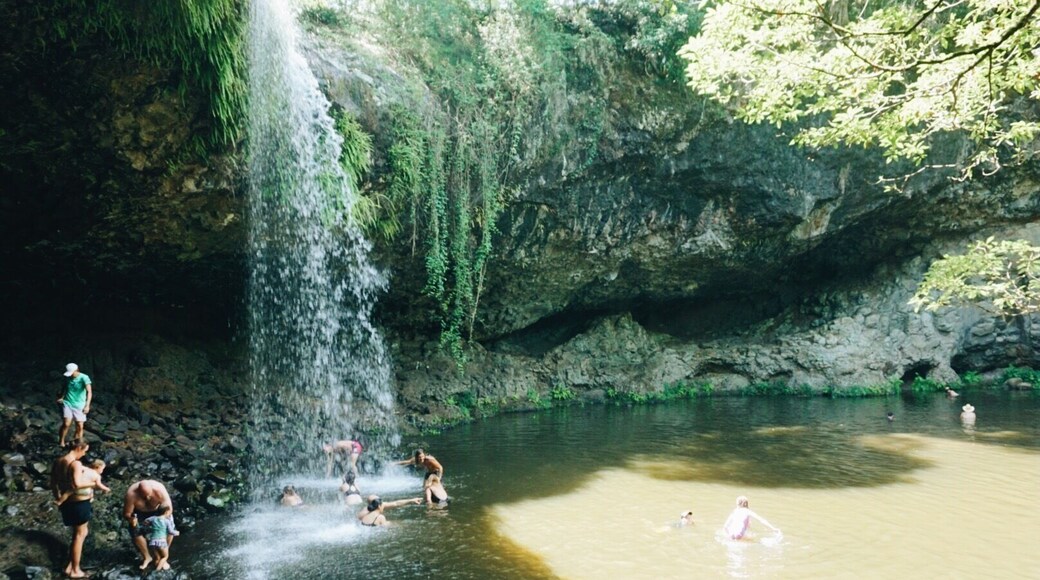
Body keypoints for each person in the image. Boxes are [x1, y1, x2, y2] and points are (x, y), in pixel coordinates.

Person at [50, 439, 92, 578]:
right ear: (79, 448)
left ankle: (70, 566)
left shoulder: (59, 461)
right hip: (78, 504)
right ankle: (75, 570)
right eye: (85, 451)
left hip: (67, 504)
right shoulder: (75, 463)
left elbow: (53, 483)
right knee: (79, 535)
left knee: (79, 534)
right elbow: (76, 484)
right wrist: (93, 483)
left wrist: (60, 500)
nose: (84, 454)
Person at [123, 479, 174, 569]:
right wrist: (131, 519)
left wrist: (161, 521)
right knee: (135, 530)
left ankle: (162, 555)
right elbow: (127, 513)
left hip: (159, 511)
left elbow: (169, 508)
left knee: (169, 528)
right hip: (140, 513)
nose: (147, 498)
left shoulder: (159, 489)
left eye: (148, 495)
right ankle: (147, 557)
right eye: (144, 496)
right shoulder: (131, 494)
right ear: (138, 492)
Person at [57, 363, 92, 448]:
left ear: (76, 370)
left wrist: (87, 405)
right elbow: (64, 388)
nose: (71, 375)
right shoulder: (67, 378)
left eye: (72, 373)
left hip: (80, 404)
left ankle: (77, 444)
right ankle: (61, 441)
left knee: (80, 425)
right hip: (68, 402)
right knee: (66, 423)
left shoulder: (84, 377)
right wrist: (61, 397)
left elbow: (89, 392)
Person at [140, 504, 179, 571]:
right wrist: (177, 533)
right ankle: (157, 571)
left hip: (153, 542)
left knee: (158, 557)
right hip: (162, 542)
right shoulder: (167, 521)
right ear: (166, 512)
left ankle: (156, 567)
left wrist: (146, 524)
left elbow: (145, 521)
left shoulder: (153, 518)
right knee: (165, 557)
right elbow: (171, 532)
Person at [357, 495, 421, 527]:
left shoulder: (366, 513)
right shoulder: (379, 516)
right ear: (378, 505)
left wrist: (411, 500)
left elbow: (396, 503)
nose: (383, 504)